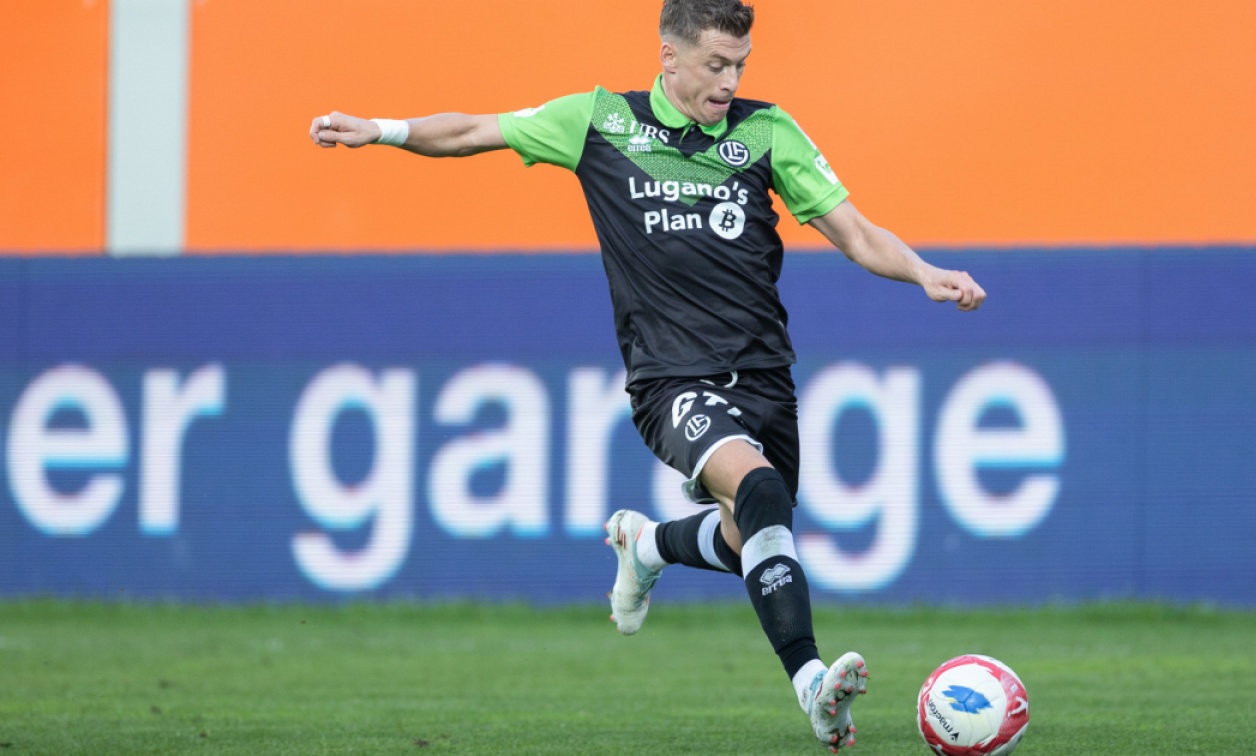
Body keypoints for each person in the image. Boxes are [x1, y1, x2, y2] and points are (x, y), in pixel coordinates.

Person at [310, 0, 984, 749]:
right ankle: (814, 688)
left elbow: (853, 231)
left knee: (750, 537)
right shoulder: (601, 122)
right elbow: (474, 130)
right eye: (715, 65)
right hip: (671, 379)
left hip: (765, 375)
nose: (729, 81)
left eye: (740, 66)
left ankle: (650, 545)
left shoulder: (767, 132)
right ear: (669, 56)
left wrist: (923, 272)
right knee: (760, 491)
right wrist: (384, 130)